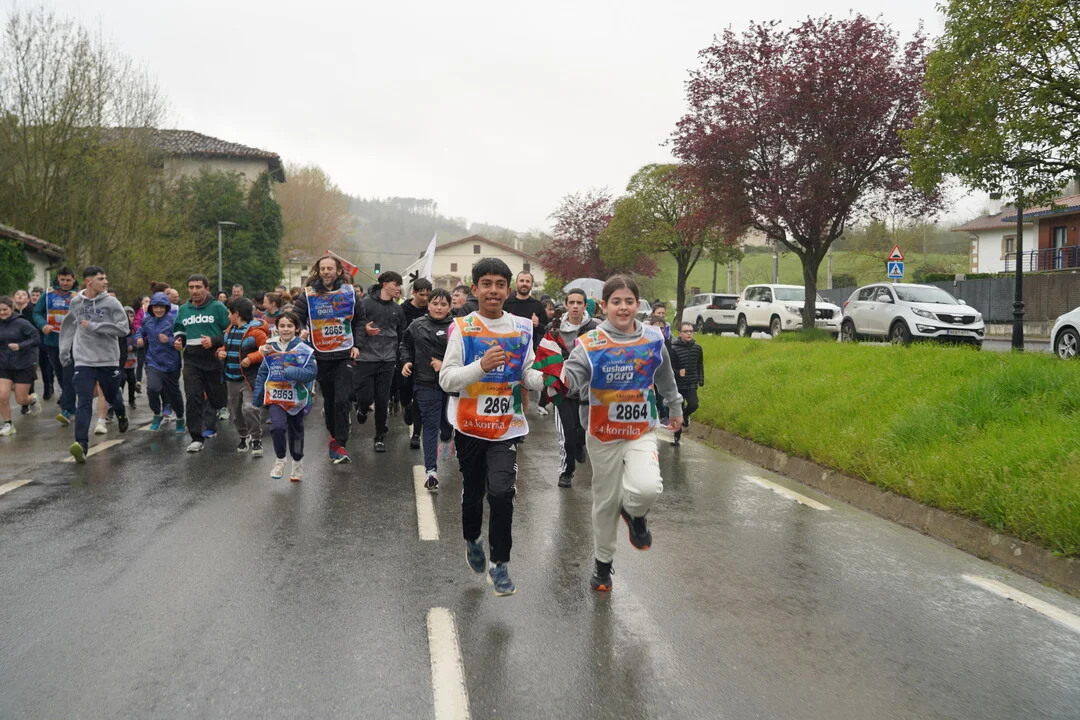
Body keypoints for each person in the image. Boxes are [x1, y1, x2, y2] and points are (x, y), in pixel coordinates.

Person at [562, 275, 683, 592]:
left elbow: (665, 375)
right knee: (606, 501)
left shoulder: (653, 338)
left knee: (647, 487)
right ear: (604, 306)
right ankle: (603, 565)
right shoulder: (590, 343)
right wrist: (559, 378)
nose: (623, 307)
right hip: (602, 433)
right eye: (616, 301)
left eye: (629, 301)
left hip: (641, 429)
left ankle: (634, 512)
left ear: (638, 305)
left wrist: (675, 406)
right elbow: (571, 375)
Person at [439, 258, 545, 597]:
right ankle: (472, 539)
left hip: (505, 427)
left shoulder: (521, 329)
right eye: (486, 284)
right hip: (470, 426)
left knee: (501, 493)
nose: (494, 290)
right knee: (473, 493)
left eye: (500, 284)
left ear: (508, 290)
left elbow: (526, 372)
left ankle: (500, 565)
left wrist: (546, 381)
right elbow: (447, 379)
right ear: (475, 289)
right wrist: (481, 366)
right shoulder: (463, 327)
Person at [291, 255, 365, 463]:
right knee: (331, 400)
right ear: (318, 271)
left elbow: (360, 320)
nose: (326, 272)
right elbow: (296, 317)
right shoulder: (308, 294)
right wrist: (301, 329)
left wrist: (358, 345)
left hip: (344, 354)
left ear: (338, 271)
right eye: (322, 268)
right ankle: (334, 436)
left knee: (342, 399)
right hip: (320, 356)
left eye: (329, 268)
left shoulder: (350, 293)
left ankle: (340, 443)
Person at [59, 266, 131, 462]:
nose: (105, 282)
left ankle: (121, 414)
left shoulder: (112, 303)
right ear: (88, 281)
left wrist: (95, 326)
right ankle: (81, 445)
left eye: (105, 278)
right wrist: (64, 351)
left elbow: (124, 329)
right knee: (83, 401)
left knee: (112, 396)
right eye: (101, 279)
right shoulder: (76, 302)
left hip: (107, 359)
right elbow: (69, 326)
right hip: (83, 359)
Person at [533, 288, 599, 488]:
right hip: (562, 388)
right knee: (567, 436)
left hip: (587, 389)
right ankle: (566, 471)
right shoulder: (554, 328)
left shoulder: (595, 328)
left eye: (579, 303)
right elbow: (544, 353)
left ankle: (580, 444)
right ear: (566, 305)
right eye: (572, 302)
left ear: (585, 305)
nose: (575, 306)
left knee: (582, 432)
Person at [253, 311, 317, 482]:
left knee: (296, 433)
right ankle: (280, 460)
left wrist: (292, 372)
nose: (285, 329)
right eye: (282, 326)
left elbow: (312, 372)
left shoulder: (303, 348)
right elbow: (263, 372)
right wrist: (257, 396)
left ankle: (297, 462)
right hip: (275, 397)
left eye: (289, 326)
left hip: (296, 399)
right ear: (277, 328)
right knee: (277, 427)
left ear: (296, 328)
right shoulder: (269, 347)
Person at [400, 287, 454, 490]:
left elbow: (465, 354)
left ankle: (447, 438)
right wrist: (406, 361)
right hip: (425, 383)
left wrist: (444, 365)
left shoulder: (457, 327)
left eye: (443, 304)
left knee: (446, 425)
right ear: (428, 305)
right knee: (430, 426)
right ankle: (431, 471)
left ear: (450, 307)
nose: (439, 308)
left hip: (451, 384)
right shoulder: (417, 325)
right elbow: (405, 345)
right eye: (435, 303)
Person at [173, 274, 230, 453]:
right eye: (191, 287)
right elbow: (179, 331)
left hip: (213, 358)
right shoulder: (184, 309)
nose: (194, 291)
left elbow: (230, 332)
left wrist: (214, 341)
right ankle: (197, 438)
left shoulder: (218, 307)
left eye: (198, 287)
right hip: (192, 359)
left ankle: (219, 410)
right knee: (193, 397)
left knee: (217, 400)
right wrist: (179, 341)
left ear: (207, 288)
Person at [354, 270, 406, 453]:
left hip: (388, 360)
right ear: (385, 285)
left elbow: (401, 333)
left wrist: (400, 356)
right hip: (366, 358)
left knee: (382, 399)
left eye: (399, 285)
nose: (398, 288)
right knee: (366, 397)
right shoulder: (365, 304)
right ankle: (362, 408)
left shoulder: (398, 308)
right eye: (395, 284)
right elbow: (354, 326)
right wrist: (364, 330)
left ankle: (379, 437)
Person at [217, 297, 268, 457]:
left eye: (229, 313)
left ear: (237, 314)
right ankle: (243, 436)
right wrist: (221, 352)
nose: (227, 316)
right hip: (230, 378)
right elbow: (224, 347)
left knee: (249, 408)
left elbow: (266, 349)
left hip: (248, 378)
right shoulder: (229, 331)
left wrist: (251, 358)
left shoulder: (256, 332)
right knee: (235, 412)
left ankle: (256, 438)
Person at [32, 267, 78, 423]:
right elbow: (36, 312)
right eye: (62, 280)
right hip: (53, 340)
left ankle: (66, 409)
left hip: (73, 342)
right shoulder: (48, 293)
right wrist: (43, 325)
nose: (64, 283)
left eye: (68, 280)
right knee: (60, 374)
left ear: (74, 280)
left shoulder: (79, 295)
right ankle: (71, 405)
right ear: (58, 278)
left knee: (69, 374)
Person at [136, 292, 185, 433]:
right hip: (153, 361)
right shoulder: (147, 320)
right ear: (151, 307)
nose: (158, 310)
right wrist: (139, 339)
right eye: (155, 307)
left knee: (174, 394)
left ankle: (180, 418)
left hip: (171, 363)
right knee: (152, 389)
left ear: (167, 307)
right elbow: (139, 331)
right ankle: (157, 414)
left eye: (161, 307)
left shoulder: (173, 320)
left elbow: (182, 339)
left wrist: (169, 340)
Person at [0, 295, 41, 435]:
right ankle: (8, 424)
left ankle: (32, 400)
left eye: (5, 309)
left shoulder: (22, 323)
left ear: (11, 309)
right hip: (4, 365)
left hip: (23, 364)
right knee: (2, 396)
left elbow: (36, 338)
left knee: (21, 399)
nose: (2, 313)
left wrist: (20, 345)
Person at [398, 278, 431, 447]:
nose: (424, 298)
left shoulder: (430, 310)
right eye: (421, 294)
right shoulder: (403, 309)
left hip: (424, 360)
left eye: (427, 295)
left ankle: (416, 434)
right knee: (405, 392)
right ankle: (406, 406)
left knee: (419, 397)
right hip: (405, 355)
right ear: (414, 293)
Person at [669, 322, 705, 447]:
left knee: (694, 404)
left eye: (691, 331)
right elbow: (670, 368)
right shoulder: (673, 348)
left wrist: (701, 379)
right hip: (678, 385)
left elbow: (700, 364)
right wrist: (678, 373)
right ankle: (677, 437)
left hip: (691, 384)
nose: (689, 333)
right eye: (686, 331)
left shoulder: (697, 348)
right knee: (677, 411)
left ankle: (686, 414)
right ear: (679, 333)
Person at [119, 306, 138, 409]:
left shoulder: (134, 330)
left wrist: (133, 347)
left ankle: (132, 400)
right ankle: (119, 401)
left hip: (131, 363)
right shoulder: (119, 330)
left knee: (132, 381)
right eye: (127, 316)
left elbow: (139, 344)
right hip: (121, 363)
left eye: (132, 316)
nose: (129, 318)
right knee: (120, 381)